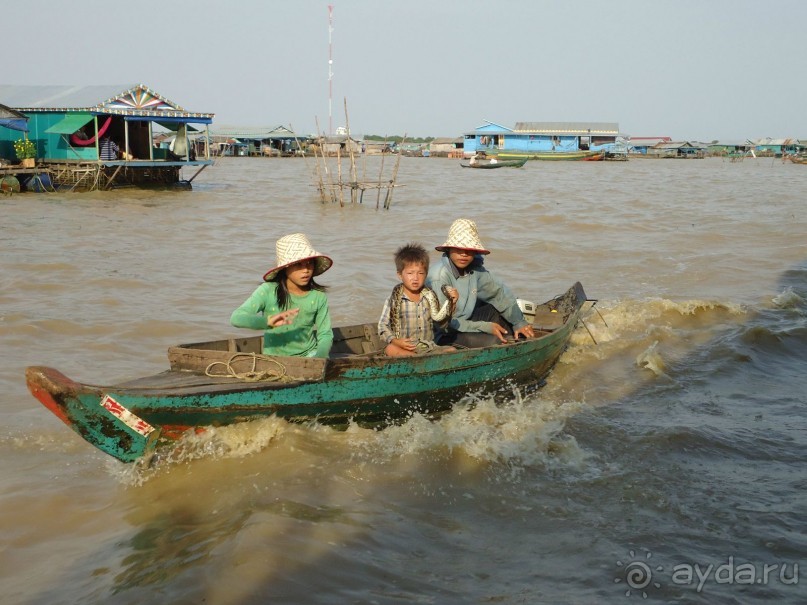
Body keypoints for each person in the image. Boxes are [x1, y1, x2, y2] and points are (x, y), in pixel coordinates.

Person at [426, 218, 535, 348]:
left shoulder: (474, 269)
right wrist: (484, 327)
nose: (464, 254)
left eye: (469, 250)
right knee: (494, 341)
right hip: (443, 332)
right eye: (459, 249)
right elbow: (443, 324)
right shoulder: (439, 277)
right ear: (449, 249)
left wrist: (519, 322)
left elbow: (499, 293)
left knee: (501, 313)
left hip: (468, 321)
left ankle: (518, 343)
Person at [230, 233, 334, 357]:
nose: (306, 270)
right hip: (274, 359)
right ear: (285, 267)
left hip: (309, 355)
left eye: (309, 263)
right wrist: (270, 322)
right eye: (299, 264)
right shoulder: (267, 291)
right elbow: (236, 318)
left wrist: (320, 358)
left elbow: (325, 334)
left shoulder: (318, 297)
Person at [378, 243, 458, 357]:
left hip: (428, 348)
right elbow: (382, 326)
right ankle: (416, 360)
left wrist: (452, 303)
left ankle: (418, 360)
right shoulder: (394, 299)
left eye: (420, 273)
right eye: (410, 273)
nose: (415, 278)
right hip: (403, 347)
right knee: (390, 349)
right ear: (400, 275)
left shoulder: (429, 297)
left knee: (452, 350)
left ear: (426, 275)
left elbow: (442, 325)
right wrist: (396, 341)